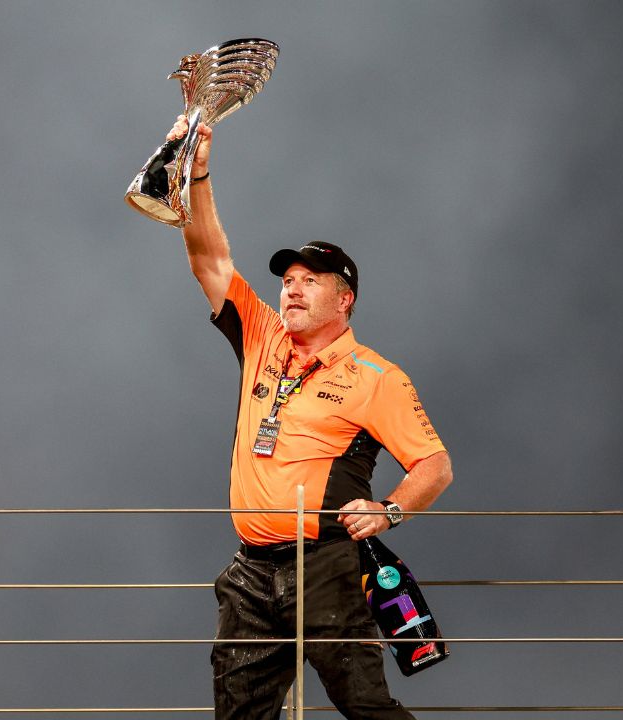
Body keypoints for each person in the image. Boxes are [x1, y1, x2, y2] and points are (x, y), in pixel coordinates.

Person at [165, 115, 453, 720]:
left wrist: (389, 510)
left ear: (343, 299)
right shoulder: (262, 335)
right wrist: (197, 173)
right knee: (239, 716)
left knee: (366, 707)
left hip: (323, 565)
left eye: (309, 281)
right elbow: (209, 259)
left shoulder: (378, 377)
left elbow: (435, 464)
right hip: (249, 572)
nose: (291, 290)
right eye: (288, 281)